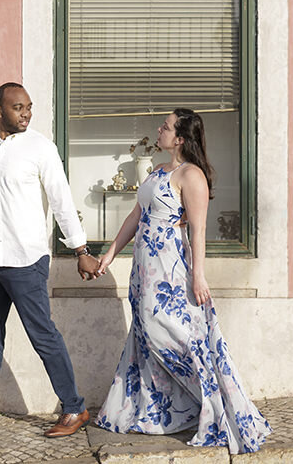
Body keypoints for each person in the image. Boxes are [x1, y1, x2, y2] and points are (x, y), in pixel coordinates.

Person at [93, 108, 271, 453]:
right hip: (145, 268)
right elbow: (136, 215)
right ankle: (155, 412)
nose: (159, 130)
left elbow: (198, 230)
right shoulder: (159, 170)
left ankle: (215, 404)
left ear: (181, 138)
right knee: (144, 334)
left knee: (166, 333)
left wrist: (198, 277)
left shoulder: (192, 176)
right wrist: (111, 253)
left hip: (171, 269)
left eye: (166, 126)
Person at [0, 82, 100, 438]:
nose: (26, 114)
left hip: (26, 261)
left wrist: (80, 250)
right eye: (17, 107)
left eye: (28, 107)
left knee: (43, 336)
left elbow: (61, 200)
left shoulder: (41, 148)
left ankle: (74, 408)